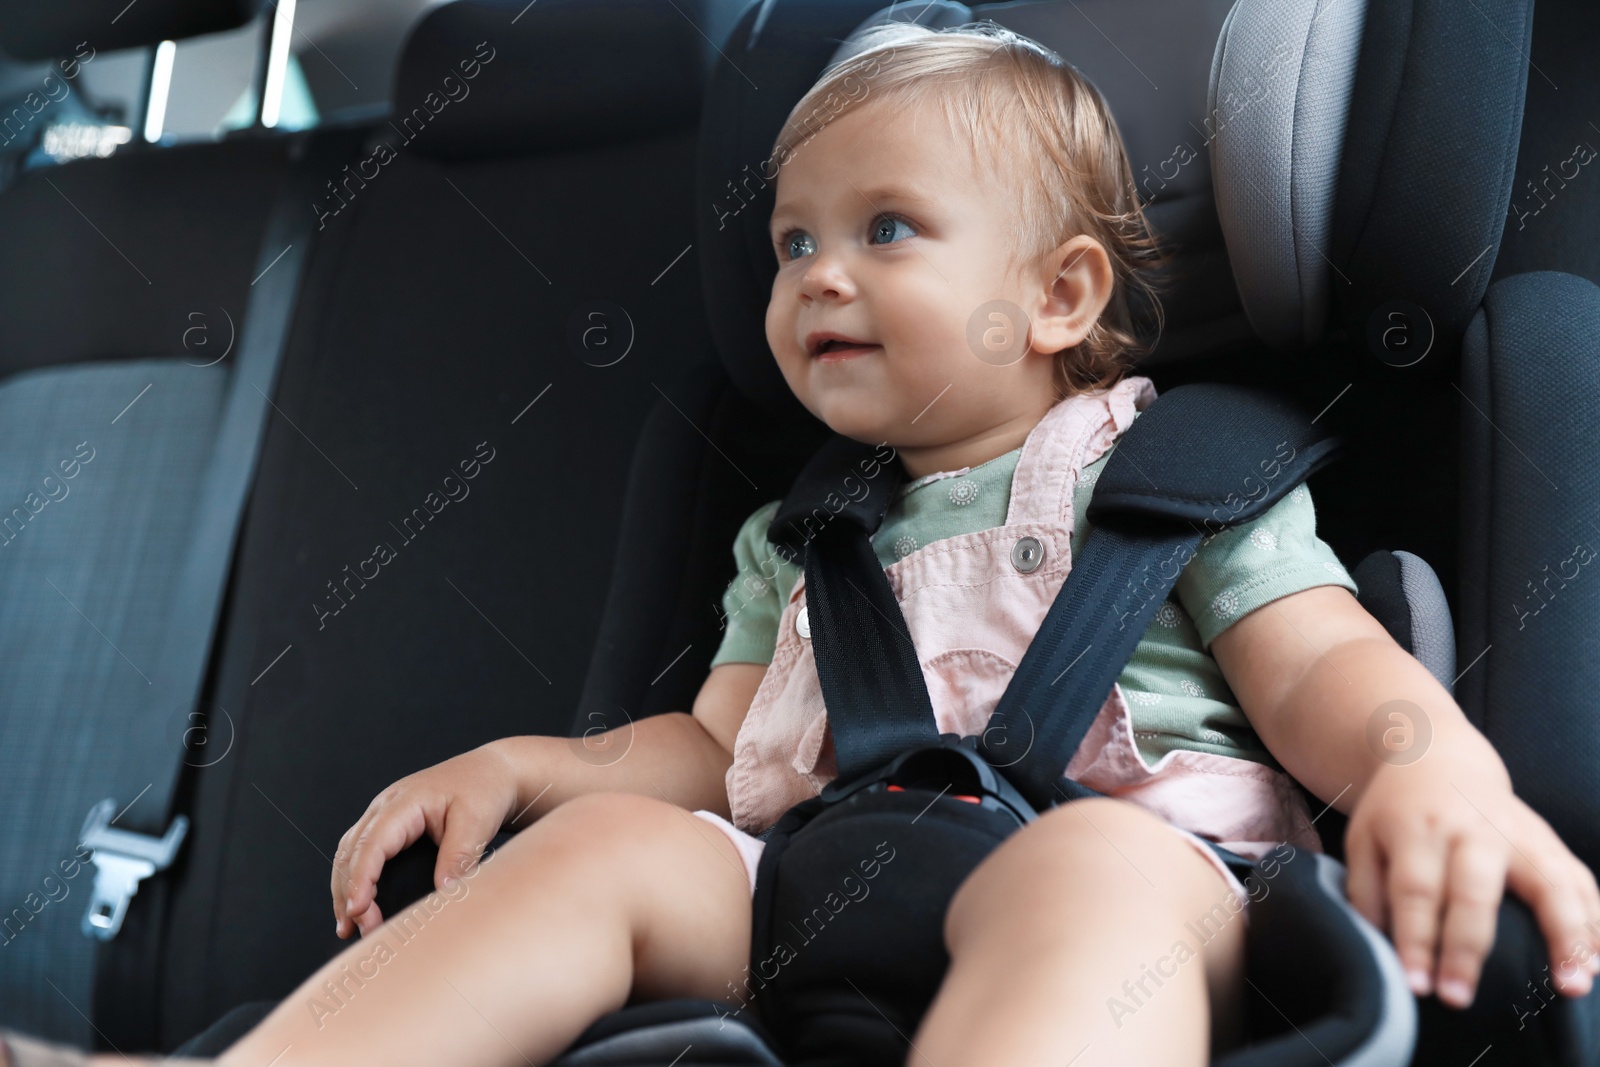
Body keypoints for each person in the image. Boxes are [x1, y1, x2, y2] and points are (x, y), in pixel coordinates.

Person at [6, 19, 1598, 1067]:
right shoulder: (804, 530)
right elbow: (710, 757)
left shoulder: (1177, 473)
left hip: (1151, 878)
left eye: (884, 230)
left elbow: (1326, 666)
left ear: (1060, 299)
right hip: (814, 884)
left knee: (1097, 871)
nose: (816, 278)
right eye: (789, 244)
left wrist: (1428, 772)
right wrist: (543, 772)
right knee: (610, 854)